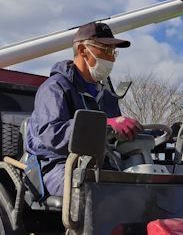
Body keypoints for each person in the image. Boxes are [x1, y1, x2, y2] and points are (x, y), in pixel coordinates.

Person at [26, 22, 142, 197]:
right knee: (93, 190)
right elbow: (52, 134)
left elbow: (116, 135)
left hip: (97, 164)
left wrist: (151, 133)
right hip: (57, 165)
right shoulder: (54, 88)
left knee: (143, 185)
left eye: (113, 52)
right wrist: (102, 124)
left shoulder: (107, 96)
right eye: (105, 50)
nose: (112, 59)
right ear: (82, 50)